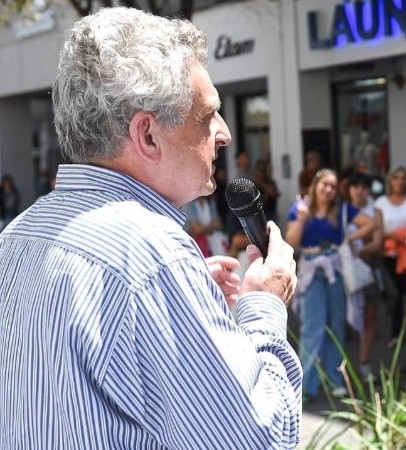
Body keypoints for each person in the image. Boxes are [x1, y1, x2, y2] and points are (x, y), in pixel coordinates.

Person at [0, 8, 302, 448]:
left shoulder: (17, 237)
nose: (225, 134)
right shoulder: (153, 253)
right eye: (207, 117)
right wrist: (264, 307)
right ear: (147, 135)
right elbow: (265, 438)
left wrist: (187, 310)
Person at [286, 168, 374, 399]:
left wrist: (349, 240)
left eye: (333, 186)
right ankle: (306, 385)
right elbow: (291, 242)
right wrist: (302, 218)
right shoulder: (300, 208)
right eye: (325, 184)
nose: (328, 189)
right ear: (315, 185)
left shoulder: (342, 209)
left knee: (336, 326)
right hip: (311, 270)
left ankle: (336, 379)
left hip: (336, 268)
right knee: (312, 328)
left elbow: (370, 223)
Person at [374, 167, 406, 371]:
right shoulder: (381, 203)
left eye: (404, 178)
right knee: (395, 298)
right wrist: (391, 236)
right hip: (390, 255)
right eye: (396, 178)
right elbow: (378, 228)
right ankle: (396, 335)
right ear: (390, 181)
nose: (400, 182)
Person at [344, 172, 385, 381]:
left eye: (364, 186)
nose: (360, 190)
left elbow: (377, 243)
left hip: (367, 267)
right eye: (355, 186)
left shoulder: (375, 211)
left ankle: (365, 363)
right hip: (343, 269)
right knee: (342, 319)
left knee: (369, 317)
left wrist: (353, 249)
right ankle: (340, 369)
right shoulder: (341, 211)